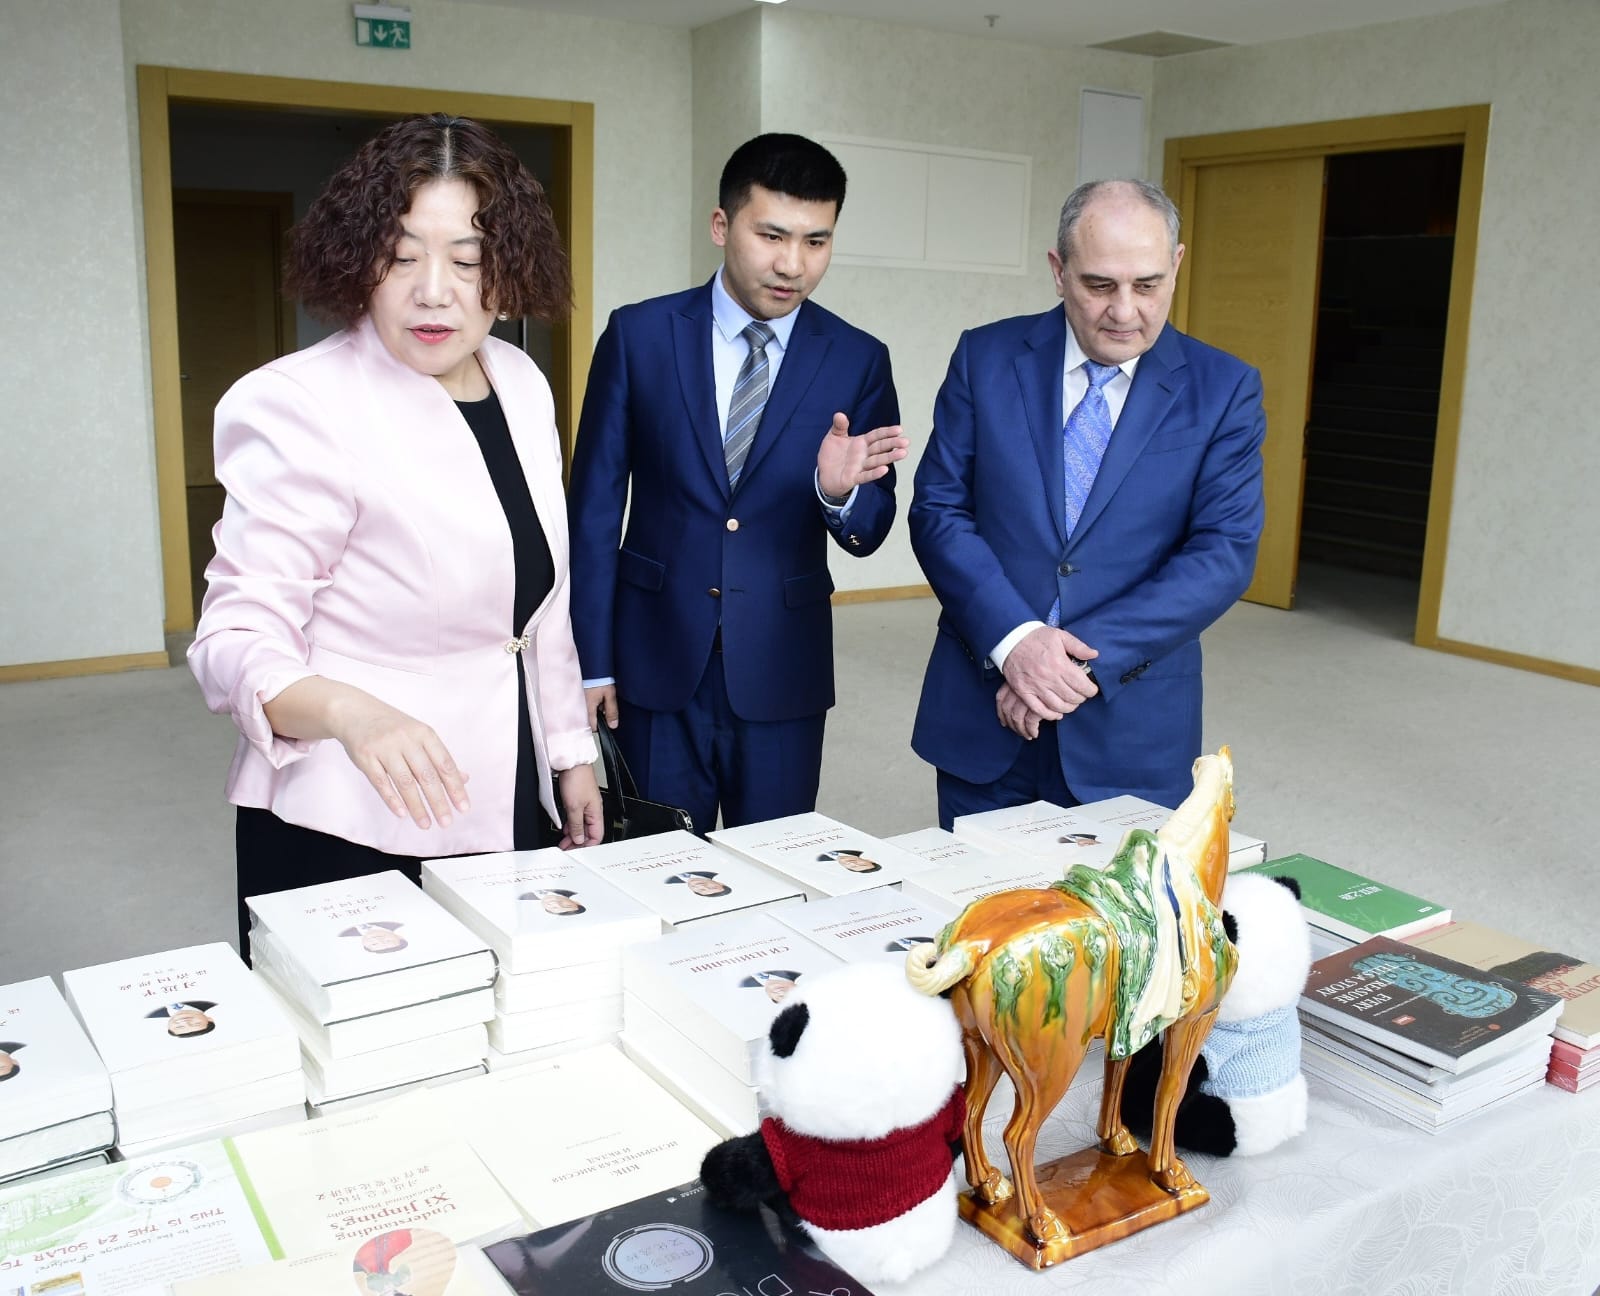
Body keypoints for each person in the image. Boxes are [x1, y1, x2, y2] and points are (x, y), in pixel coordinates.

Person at [189, 115, 603, 958]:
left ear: (508, 268)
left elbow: (540, 604)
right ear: (358, 262)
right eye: (402, 255)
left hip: (502, 782)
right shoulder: (298, 404)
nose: (434, 291)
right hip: (349, 809)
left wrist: (569, 752)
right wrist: (351, 712)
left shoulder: (520, 381)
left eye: (468, 260)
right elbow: (233, 637)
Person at [567, 134, 908, 835]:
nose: (793, 264)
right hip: (654, 659)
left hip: (783, 664)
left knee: (777, 865)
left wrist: (837, 493)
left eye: (817, 241)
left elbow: (872, 527)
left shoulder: (858, 359)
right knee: (656, 864)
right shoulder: (639, 336)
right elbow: (594, 512)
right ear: (722, 225)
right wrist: (591, 662)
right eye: (772, 236)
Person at [910, 179, 1265, 827]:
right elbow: (939, 511)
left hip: (1131, 726)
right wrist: (1016, 642)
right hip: (984, 709)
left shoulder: (1225, 389)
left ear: (1177, 264)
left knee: (1115, 895)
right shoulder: (985, 358)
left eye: (1148, 285)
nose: (1125, 311)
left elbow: (1223, 555)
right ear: (1058, 270)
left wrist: (1065, 663)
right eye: (1100, 285)